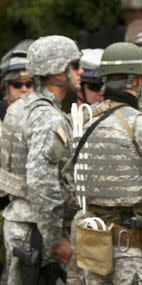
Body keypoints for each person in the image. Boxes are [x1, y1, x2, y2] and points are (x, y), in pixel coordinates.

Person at [67, 42, 142, 285]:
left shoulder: (83, 122)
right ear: (137, 81)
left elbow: (71, 177)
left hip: (94, 246)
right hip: (135, 252)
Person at [0, 35, 82, 284]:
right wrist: (55, 239)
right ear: (58, 72)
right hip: (37, 231)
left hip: (21, 222)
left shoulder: (20, 107)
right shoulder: (48, 117)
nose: (81, 72)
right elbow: (41, 181)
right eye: (75, 65)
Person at [0, 43, 35, 120]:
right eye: (17, 85)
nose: (24, 89)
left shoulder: (43, 113)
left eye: (29, 84)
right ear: (6, 87)